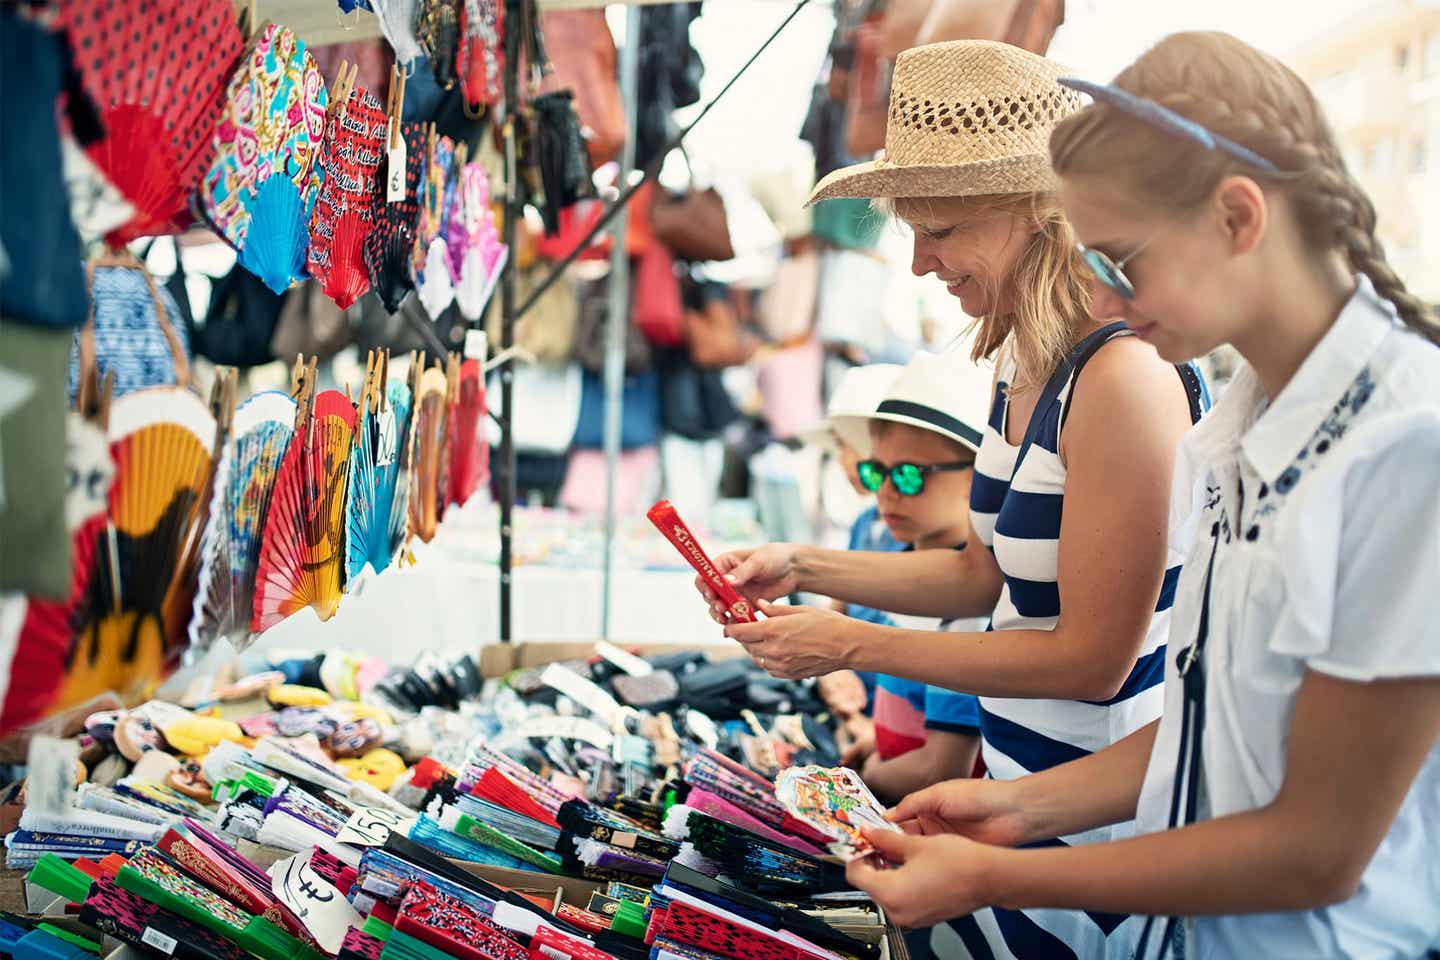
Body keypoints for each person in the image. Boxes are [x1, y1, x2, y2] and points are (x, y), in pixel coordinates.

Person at [844, 31, 1440, 960]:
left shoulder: (1406, 447)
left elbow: (1318, 850)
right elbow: (1208, 734)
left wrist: (1002, 868)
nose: (1108, 305)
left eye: (1120, 262)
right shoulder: (1235, 426)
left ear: (1239, 218)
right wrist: (1012, 805)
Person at [698, 40, 1206, 958]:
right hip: (1016, 794)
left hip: (1093, 838)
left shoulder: (1124, 377)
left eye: (942, 229)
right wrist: (802, 565)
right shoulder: (1025, 360)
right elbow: (983, 576)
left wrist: (847, 639)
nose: (923, 262)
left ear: (1035, 214)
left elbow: (1095, 660)